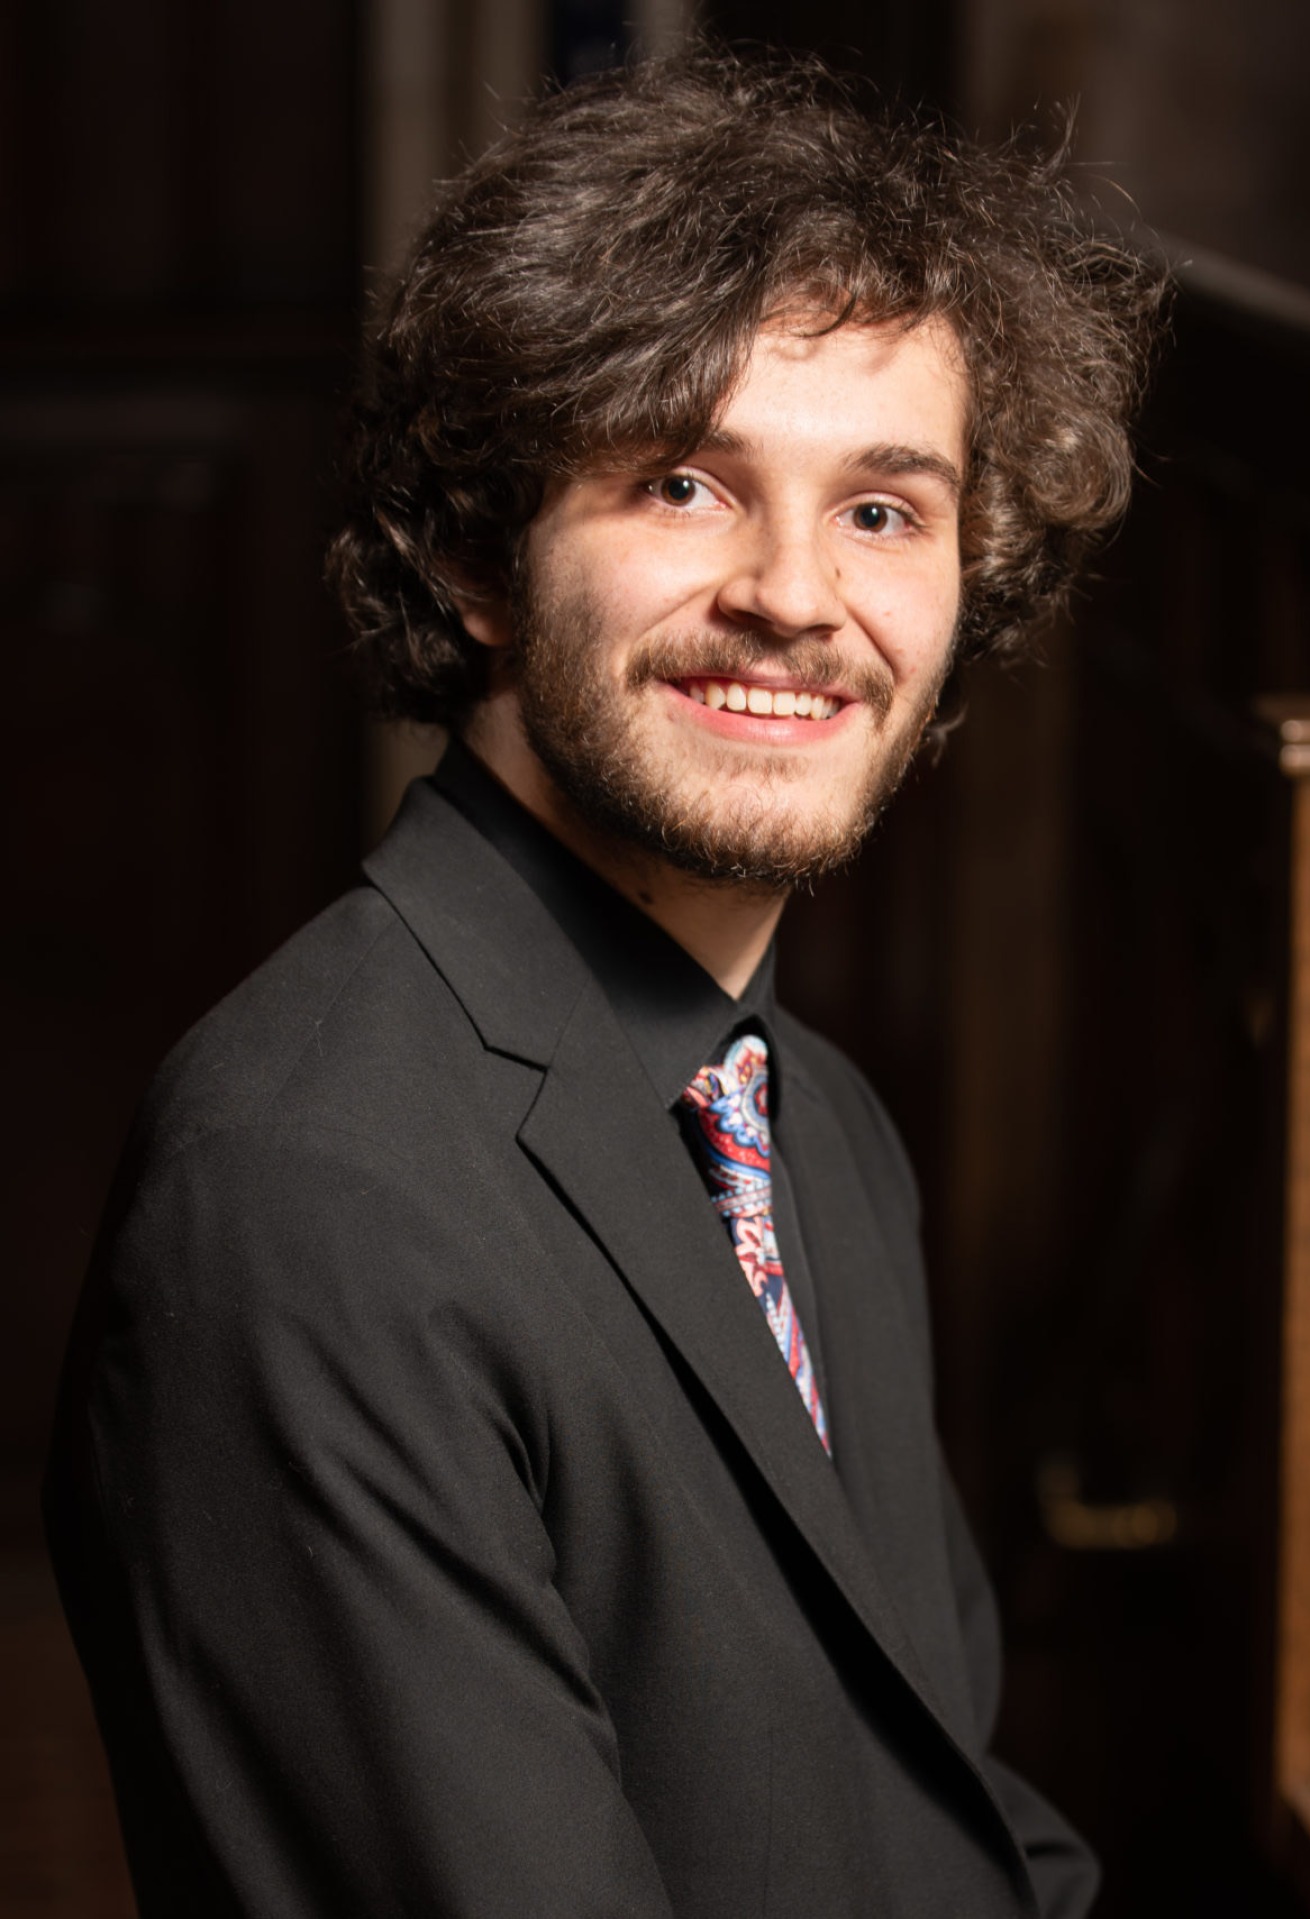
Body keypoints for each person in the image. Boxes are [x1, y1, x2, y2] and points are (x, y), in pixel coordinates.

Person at [44, 44, 1165, 1919]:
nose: (798, 598)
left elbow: (952, 1820)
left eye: (884, 510)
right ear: (480, 550)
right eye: (684, 482)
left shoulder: (814, 1122)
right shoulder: (310, 1195)